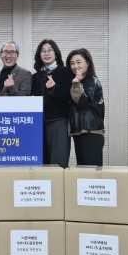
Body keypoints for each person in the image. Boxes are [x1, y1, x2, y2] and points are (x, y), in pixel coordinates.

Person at [31, 39, 72, 168]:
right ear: (39, 55)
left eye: (50, 50)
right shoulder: (35, 77)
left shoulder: (65, 72)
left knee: (58, 162)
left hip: (59, 122)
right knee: (41, 162)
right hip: (39, 123)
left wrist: (54, 88)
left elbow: (69, 97)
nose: (46, 53)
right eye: (43, 51)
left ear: (56, 53)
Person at [66, 48, 105, 166]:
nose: (75, 66)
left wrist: (76, 84)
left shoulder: (93, 81)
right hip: (80, 132)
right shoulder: (75, 82)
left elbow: (83, 102)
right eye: (72, 63)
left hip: (91, 131)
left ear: (87, 63)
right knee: (83, 171)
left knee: (92, 171)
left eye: (79, 62)